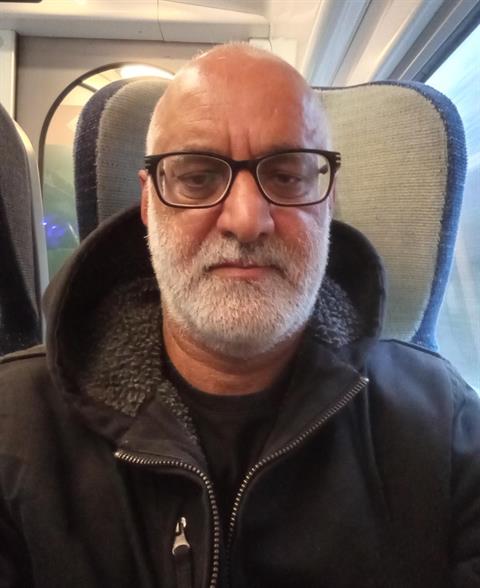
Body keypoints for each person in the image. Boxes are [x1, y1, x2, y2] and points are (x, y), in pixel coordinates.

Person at [0, 43, 479, 588]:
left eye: (288, 176)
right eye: (198, 177)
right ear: (149, 203)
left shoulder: (442, 426)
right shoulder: (15, 426)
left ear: (328, 201)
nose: (247, 220)